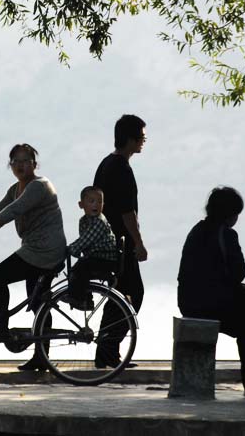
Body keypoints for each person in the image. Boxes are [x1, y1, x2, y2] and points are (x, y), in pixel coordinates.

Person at [0, 143, 67, 371]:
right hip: (35, 249)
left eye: (25, 161)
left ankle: (1, 327)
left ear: (34, 164)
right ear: (10, 165)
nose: (20, 165)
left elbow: (13, 211)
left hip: (45, 251)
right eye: (15, 161)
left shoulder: (40, 186)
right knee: (39, 302)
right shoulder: (16, 188)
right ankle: (42, 358)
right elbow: (0, 207)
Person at [177, 187, 245, 399]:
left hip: (189, 302)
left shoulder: (197, 230)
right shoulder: (226, 234)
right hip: (209, 305)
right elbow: (238, 272)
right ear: (231, 213)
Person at [93, 114, 147, 368]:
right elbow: (128, 213)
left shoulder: (107, 164)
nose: (143, 140)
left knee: (119, 295)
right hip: (119, 244)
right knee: (133, 293)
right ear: (129, 139)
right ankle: (108, 350)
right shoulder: (121, 168)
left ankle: (107, 353)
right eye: (140, 136)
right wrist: (139, 243)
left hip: (107, 241)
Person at [66, 186, 119, 308]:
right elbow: (84, 242)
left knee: (80, 269)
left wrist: (71, 249)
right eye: (91, 201)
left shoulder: (99, 222)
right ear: (81, 204)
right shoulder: (84, 221)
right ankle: (85, 297)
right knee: (78, 270)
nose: (96, 205)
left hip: (105, 259)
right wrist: (75, 249)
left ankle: (80, 299)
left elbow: (85, 241)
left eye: (100, 201)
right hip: (96, 256)